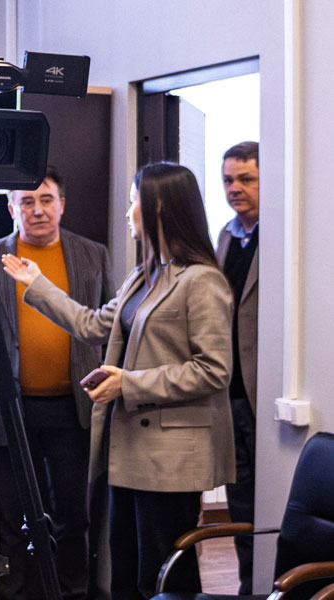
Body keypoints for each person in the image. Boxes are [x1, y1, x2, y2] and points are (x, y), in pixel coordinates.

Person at [2, 162, 235, 600]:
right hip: (127, 449)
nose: (128, 213)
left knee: (162, 578)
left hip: (170, 459)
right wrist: (38, 284)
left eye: (133, 203)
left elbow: (213, 369)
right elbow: (92, 325)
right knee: (123, 572)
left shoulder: (202, 280)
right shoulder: (144, 275)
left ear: (158, 207)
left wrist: (128, 383)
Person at [0, 166, 113, 600]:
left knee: (72, 514)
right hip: (8, 406)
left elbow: (111, 332)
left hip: (73, 407)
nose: (37, 210)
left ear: (62, 204)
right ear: (11, 209)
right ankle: (14, 593)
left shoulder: (92, 255)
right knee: (8, 515)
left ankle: (72, 590)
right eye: (27, 201)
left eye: (46, 200)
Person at [216, 141, 259, 594]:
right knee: (240, 503)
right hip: (228, 392)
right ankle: (248, 587)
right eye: (229, 180)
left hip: (262, 390)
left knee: (272, 500)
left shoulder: (279, 235)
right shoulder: (226, 236)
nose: (235, 188)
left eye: (246, 179)